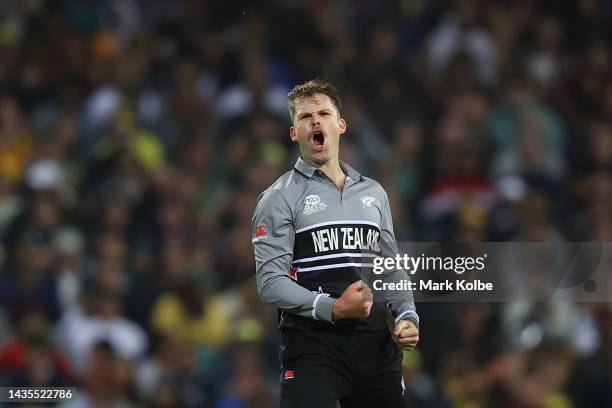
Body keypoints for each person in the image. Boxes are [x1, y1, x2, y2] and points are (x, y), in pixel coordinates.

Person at [251, 79, 419, 407]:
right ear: (293, 132)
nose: (316, 121)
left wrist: (407, 315)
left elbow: (391, 268)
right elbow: (269, 283)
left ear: (340, 125)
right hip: (313, 346)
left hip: (375, 347)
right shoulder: (278, 198)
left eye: (324, 113)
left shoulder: (374, 193)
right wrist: (333, 308)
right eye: (305, 116)